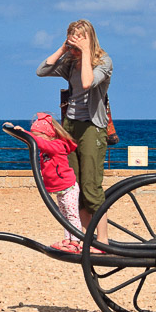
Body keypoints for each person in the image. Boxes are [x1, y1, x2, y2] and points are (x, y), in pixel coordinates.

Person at [36, 19, 113, 244]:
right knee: (74, 187)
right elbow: (42, 71)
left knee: (91, 187)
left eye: (79, 36)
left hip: (92, 127)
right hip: (70, 126)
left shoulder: (104, 62)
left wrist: (87, 52)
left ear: (89, 37)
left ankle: (104, 240)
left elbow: (88, 82)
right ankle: (86, 238)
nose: (75, 40)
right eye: (72, 35)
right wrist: (63, 48)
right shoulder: (71, 62)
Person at [28, 112, 82, 253]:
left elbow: (43, 145)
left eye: (38, 136)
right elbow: (38, 143)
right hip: (59, 189)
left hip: (68, 187)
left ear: (49, 135)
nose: (36, 140)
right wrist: (19, 133)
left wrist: (29, 136)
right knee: (64, 215)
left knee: (72, 214)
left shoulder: (57, 145)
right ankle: (68, 239)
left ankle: (76, 241)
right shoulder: (44, 148)